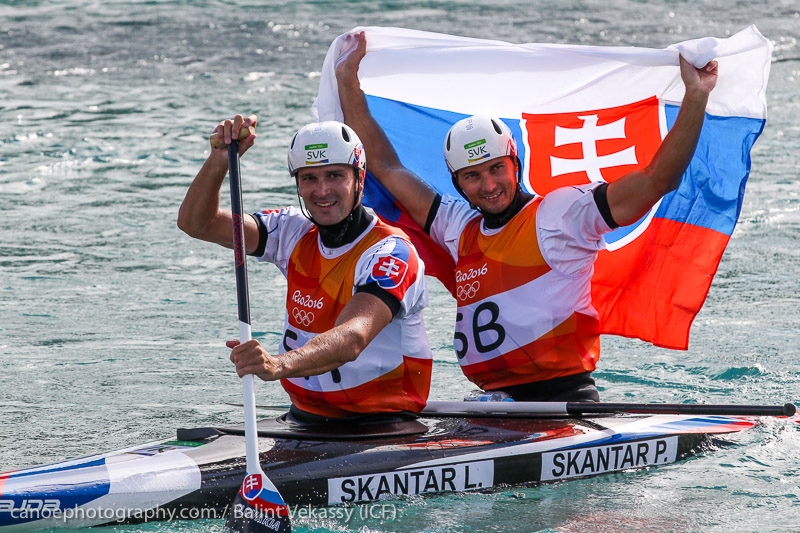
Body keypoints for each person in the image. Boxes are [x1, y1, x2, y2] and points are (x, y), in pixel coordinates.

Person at [335, 31, 718, 402]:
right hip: (492, 404)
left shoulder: (563, 212)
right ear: (457, 182)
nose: (488, 185)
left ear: (515, 163)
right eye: (472, 176)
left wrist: (695, 96)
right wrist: (348, 79)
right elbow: (385, 166)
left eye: (497, 168)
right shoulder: (456, 225)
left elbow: (656, 180)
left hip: (562, 402)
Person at [177, 116, 433, 421]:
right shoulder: (291, 230)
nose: (321, 190)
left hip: (382, 426)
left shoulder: (392, 252)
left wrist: (277, 364)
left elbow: (352, 338)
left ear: (360, 179)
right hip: (304, 420)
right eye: (309, 178)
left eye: (335, 175)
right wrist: (220, 161)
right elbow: (197, 224)